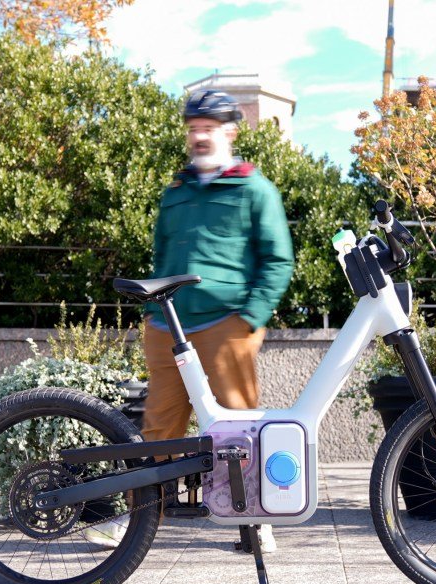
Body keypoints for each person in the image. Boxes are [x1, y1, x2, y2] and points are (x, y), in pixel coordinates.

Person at [84, 90, 294, 551]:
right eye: (194, 128)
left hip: (225, 324)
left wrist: (250, 319)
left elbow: (278, 260)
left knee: (236, 428)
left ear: (229, 132)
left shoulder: (253, 188)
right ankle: (138, 520)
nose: (199, 136)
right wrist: (150, 313)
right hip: (167, 325)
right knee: (159, 431)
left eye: (208, 129)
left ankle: (255, 520)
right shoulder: (175, 192)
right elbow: (161, 256)